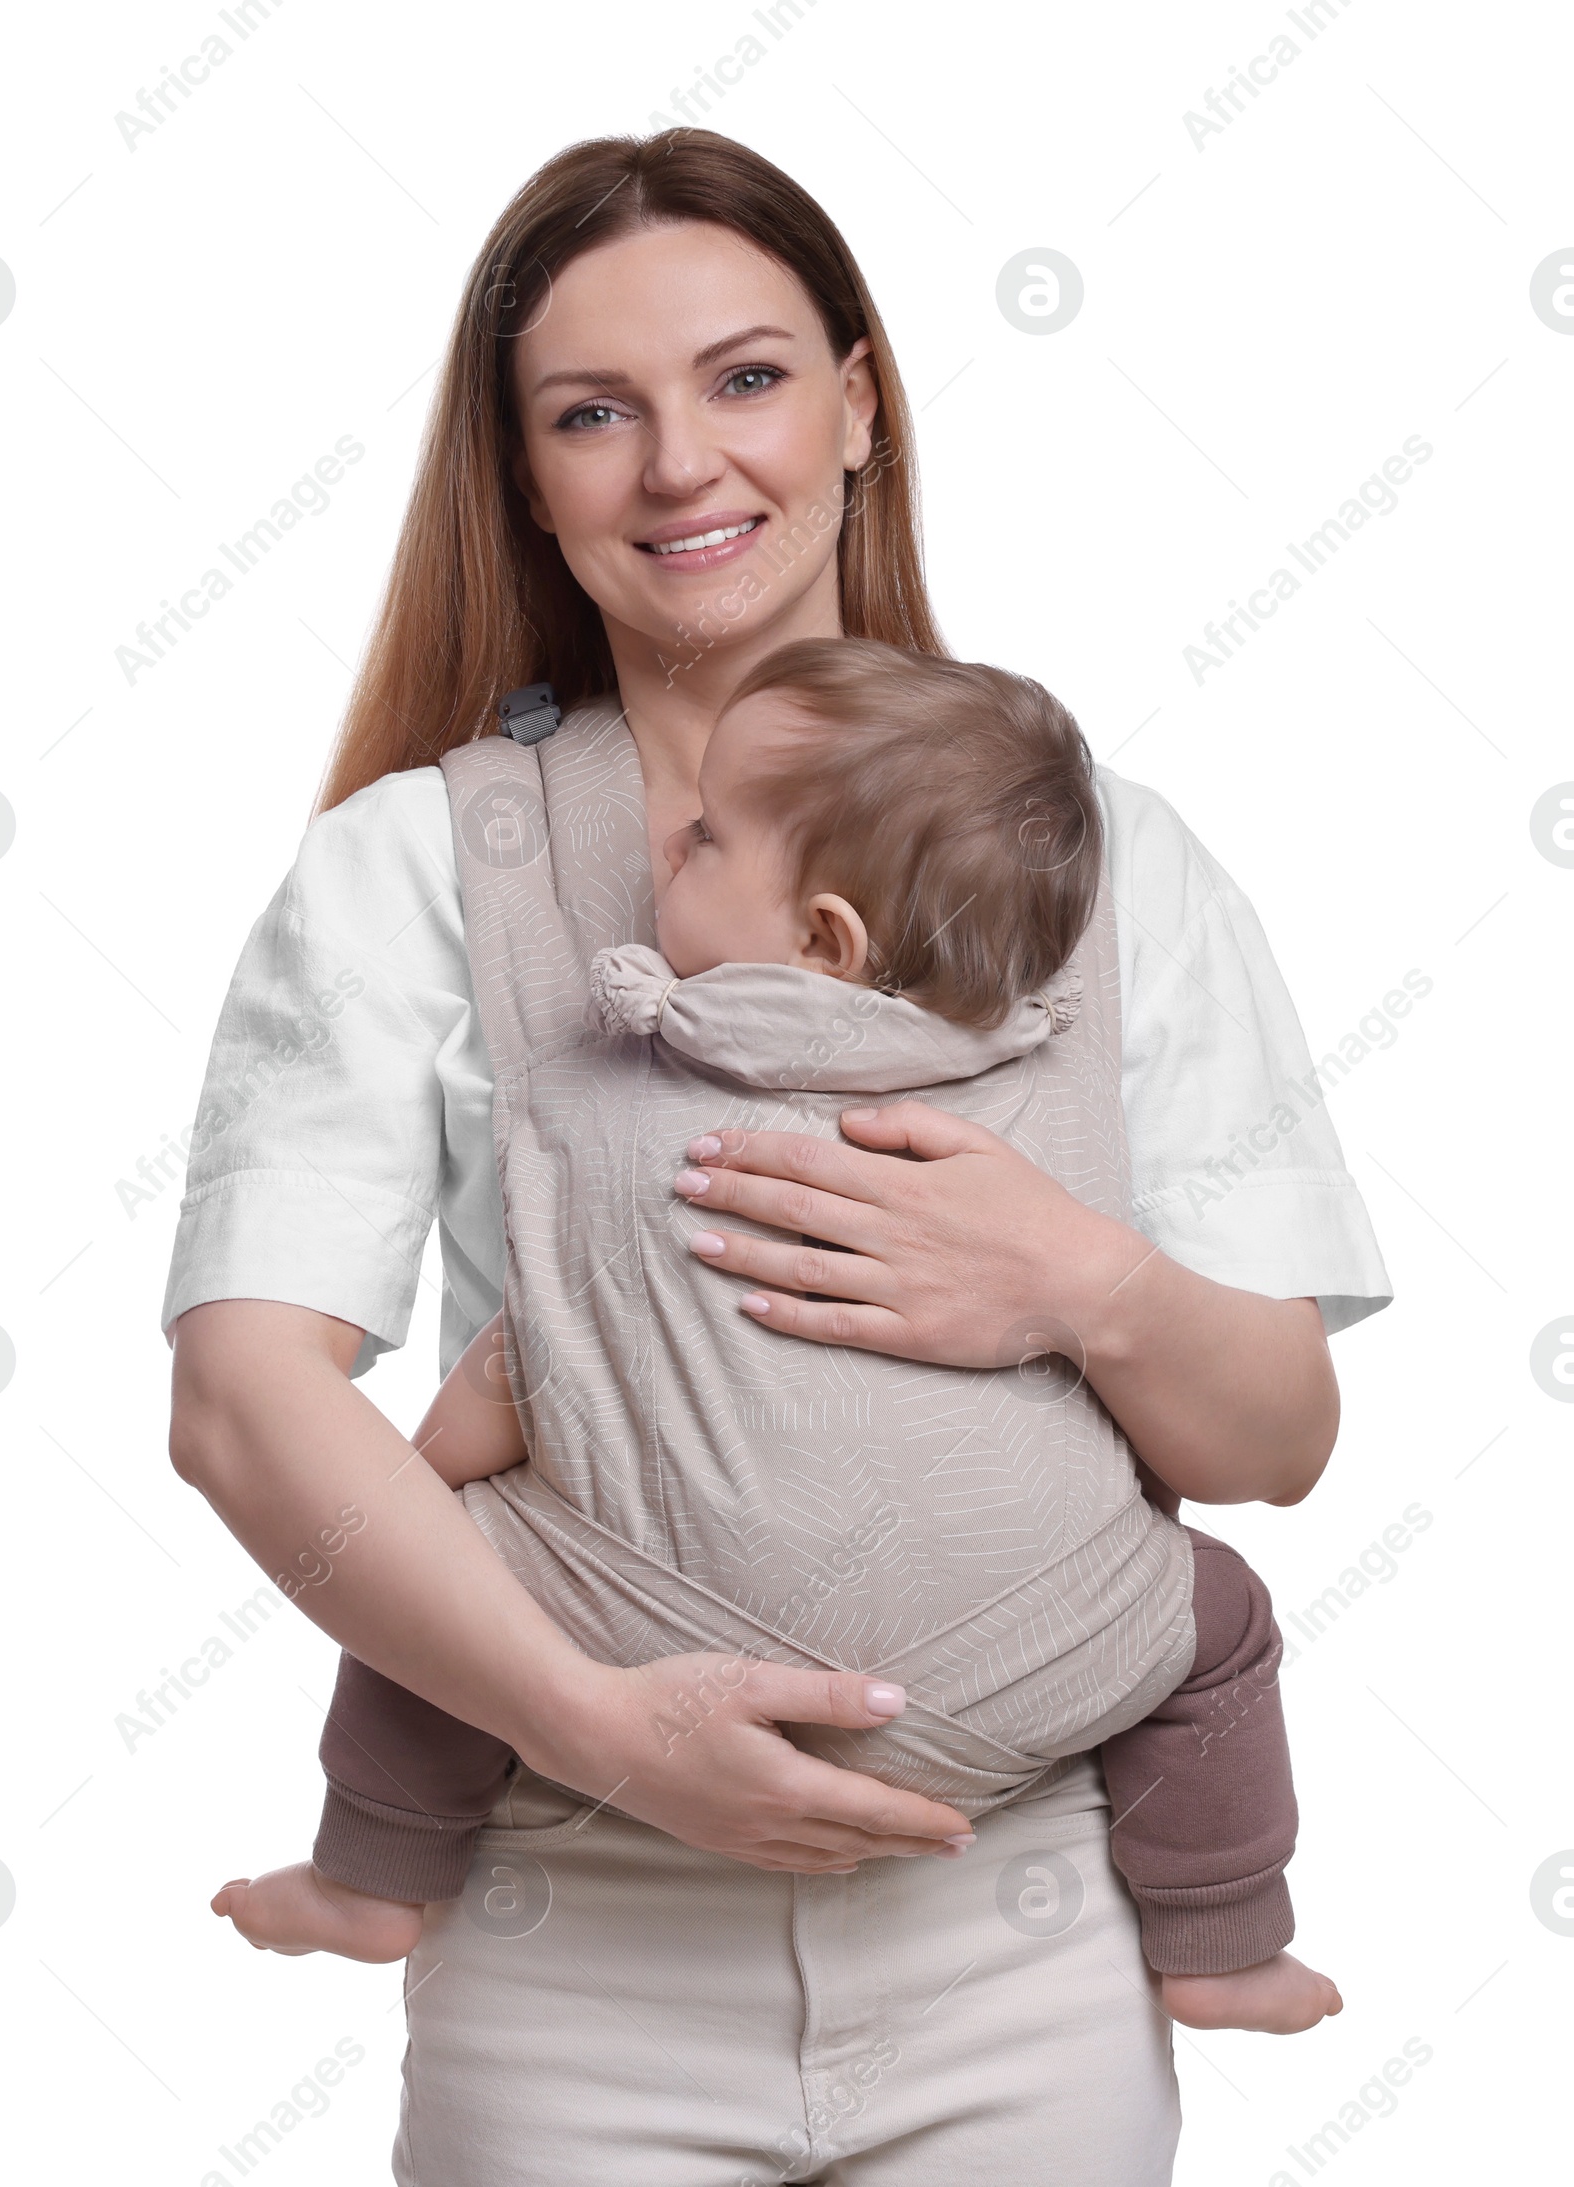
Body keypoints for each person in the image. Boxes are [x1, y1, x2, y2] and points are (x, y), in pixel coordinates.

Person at [167, 130, 1389, 2185]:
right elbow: (238, 1397)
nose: (676, 466)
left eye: (741, 378)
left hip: (1022, 1944)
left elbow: (1273, 1438)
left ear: (857, 401)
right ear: (524, 471)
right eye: (590, 413)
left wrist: (1080, 1283)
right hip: (579, 1937)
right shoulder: (410, 870)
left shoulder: (1110, 866)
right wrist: (587, 1721)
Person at [213, 637, 1337, 2039]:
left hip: (635, 1640)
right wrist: (1092, 1285)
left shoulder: (624, 1083)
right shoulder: (1029, 1062)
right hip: (1033, 1663)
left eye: (708, 835)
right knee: (1219, 1626)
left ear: (822, 938)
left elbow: (527, 1368)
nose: (668, 832)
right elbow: (1273, 1460)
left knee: (424, 1571)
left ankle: (371, 1877)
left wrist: (444, 1480)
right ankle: (1224, 1941)